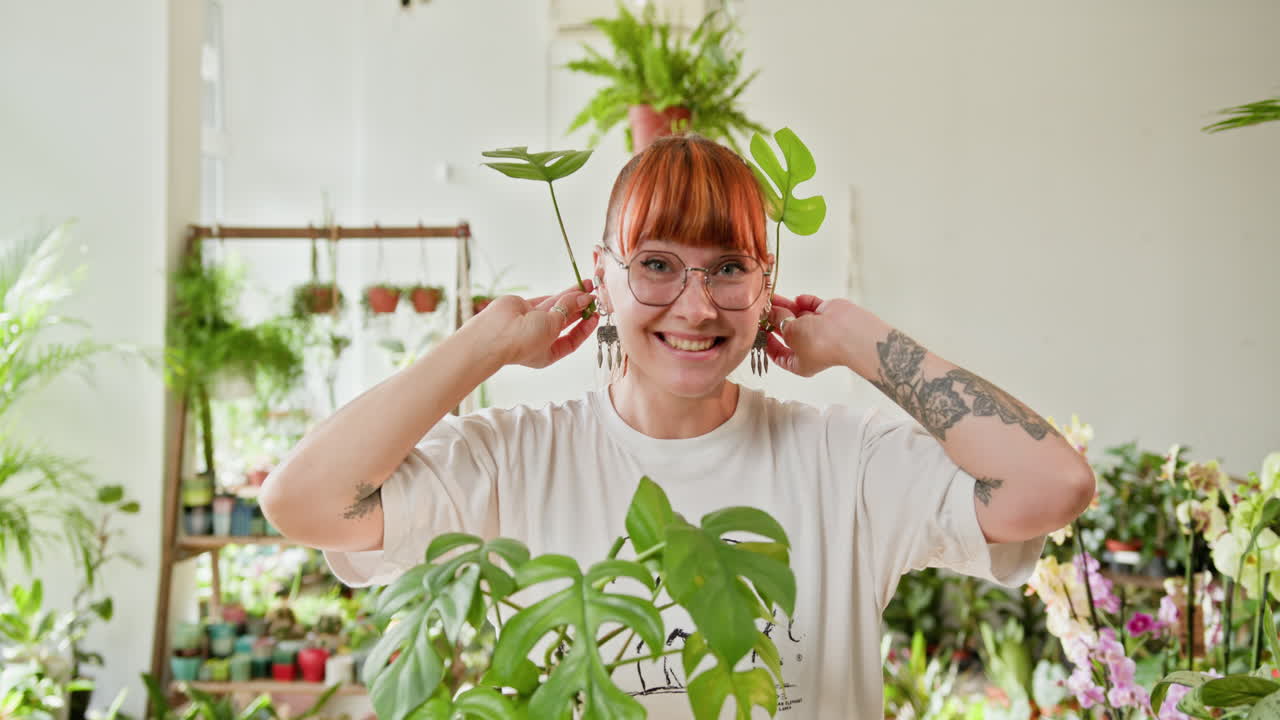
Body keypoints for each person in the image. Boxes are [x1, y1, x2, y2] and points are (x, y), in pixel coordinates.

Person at [261, 135, 1095, 718]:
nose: (696, 307)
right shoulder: (515, 458)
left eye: (729, 268)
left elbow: (1050, 485)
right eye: (657, 264)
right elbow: (304, 502)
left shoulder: (845, 462)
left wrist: (858, 341)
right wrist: (486, 344)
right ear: (601, 278)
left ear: (767, 287)